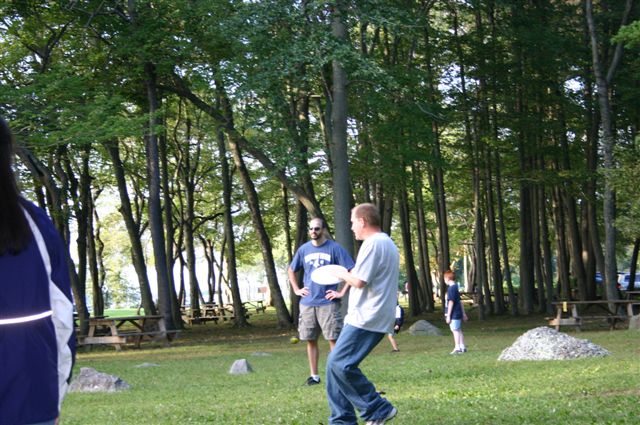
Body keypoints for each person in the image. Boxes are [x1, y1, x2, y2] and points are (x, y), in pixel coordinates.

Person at [0, 116, 76, 425]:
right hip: (33, 398)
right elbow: (62, 319)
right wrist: (53, 397)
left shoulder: (35, 223)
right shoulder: (36, 223)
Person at [324, 203, 399, 425]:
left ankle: (378, 408)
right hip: (369, 316)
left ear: (362, 221)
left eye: (352, 222)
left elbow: (358, 281)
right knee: (333, 366)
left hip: (368, 317)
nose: (351, 227)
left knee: (340, 364)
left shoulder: (373, 243)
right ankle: (342, 420)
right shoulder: (385, 242)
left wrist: (339, 272)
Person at [288, 217, 355, 386]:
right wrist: (296, 289)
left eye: (317, 228)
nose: (313, 231)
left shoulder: (335, 248)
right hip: (307, 303)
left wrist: (341, 292)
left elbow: (351, 271)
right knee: (310, 339)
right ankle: (314, 376)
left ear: (323, 230)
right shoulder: (304, 249)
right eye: (311, 228)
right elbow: (291, 270)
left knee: (333, 339)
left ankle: (338, 376)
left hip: (328, 303)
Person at [444, 269, 468, 354]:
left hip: (454, 313)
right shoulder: (455, 287)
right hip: (457, 312)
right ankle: (462, 346)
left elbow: (451, 302)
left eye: (444, 278)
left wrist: (448, 315)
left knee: (455, 330)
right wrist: (463, 313)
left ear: (448, 278)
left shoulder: (451, 288)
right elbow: (460, 301)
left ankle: (457, 347)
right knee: (458, 329)